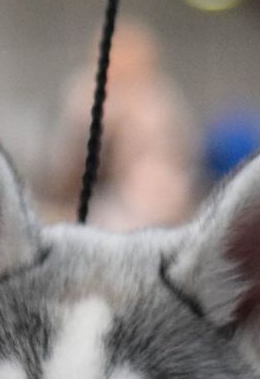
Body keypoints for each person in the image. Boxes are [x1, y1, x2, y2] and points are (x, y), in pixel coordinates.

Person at [44, 20, 195, 230]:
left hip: (153, 201)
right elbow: (67, 160)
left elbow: (178, 155)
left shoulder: (160, 97)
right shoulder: (82, 92)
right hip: (94, 201)